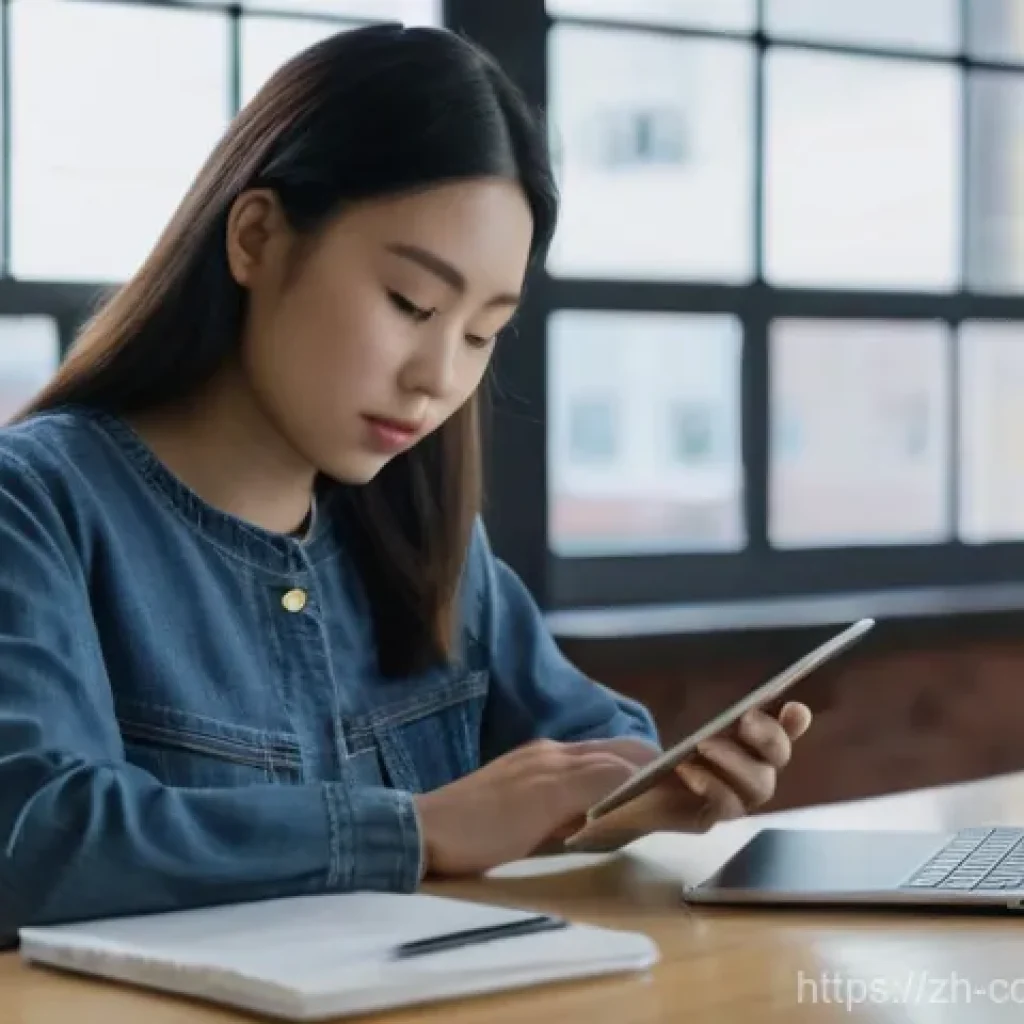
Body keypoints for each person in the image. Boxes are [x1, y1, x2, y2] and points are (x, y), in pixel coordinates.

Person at [0, 23, 811, 940]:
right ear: (257, 237)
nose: (439, 377)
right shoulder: (34, 506)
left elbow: (590, 740)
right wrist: (416, 830)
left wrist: (654, 787)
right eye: (411, 303)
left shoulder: (422, 535)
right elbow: (31, 843)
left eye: (481, 333)